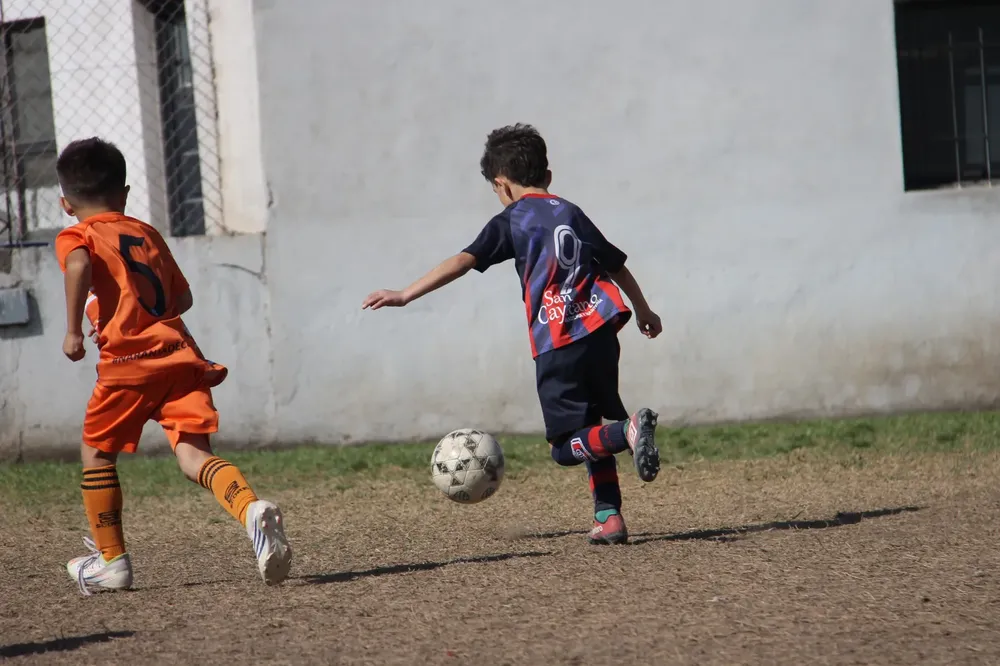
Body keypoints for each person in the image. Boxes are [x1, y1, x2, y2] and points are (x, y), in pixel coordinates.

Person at [363, 124, 663, 544]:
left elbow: (463, 260)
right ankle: (609, 517)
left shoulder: (514, 219)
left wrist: (405, 294)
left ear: (502, 185)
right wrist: (644, 310)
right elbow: (616, 266)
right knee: (591, 428)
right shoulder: (571, 212)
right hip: (600, 333)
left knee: (565, 448)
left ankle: (626, 432)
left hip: (558, 342)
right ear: (548, 175)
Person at [54, 137, 292, 594]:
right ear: (124, 194)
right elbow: (182, 298)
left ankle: (112, 561)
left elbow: (78, 265)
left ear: (66, 203)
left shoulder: (76, 235)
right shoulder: (146, 233)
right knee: (193, 456)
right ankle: (250, 511)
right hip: (180, 358)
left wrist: (73, 329)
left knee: (96, 454)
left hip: (128, 364)